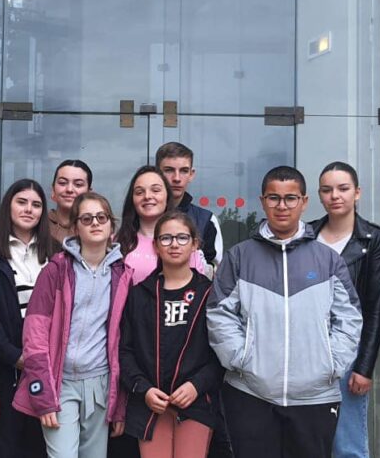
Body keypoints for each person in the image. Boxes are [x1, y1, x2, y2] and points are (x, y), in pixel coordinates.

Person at [207, 166, 362, 458]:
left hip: (315, 396)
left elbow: (349, 318)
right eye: (274, 198)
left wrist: (331, 363)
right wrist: (241, 359)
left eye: (290, 198)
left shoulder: (328, 259)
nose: (282, 206)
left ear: (304, 202)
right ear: (263, 201)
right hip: (250, 393)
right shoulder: (240, 256)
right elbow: (219, 314)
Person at [12, 192, 130, 458]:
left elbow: (124, 343)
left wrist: (119, 404)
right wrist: (43, 397)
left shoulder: (123, 275)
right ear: (75, 227)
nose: (95, 223)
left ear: (112, 225)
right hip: (60, 382)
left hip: (100, 383)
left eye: (101, 217)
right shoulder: (56, 270)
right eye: (86, 218)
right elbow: (35, 337)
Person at [120, 211, 224, 458]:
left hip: (195, 402)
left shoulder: (210, 295)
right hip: (150, 404)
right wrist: (143, 389)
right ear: (155, 245)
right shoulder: (139, 294)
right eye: (166, 238)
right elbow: (124, 350)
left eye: (182, 237)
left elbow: (222, 354)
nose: (174, 244)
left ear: (195, 244)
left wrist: (196, 385)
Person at [308, 161, 380, 458]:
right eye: (327, 190)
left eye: (343, 189)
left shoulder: (373, 239)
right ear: (319, 195)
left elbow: (377, 305)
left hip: (349, 351)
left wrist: (365, 366)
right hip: (307, 348)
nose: (335, 196)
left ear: (357, 193)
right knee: (308, 439)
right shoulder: (306, 235)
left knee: (348, 442)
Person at [0, 179, 58, 458]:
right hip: (8, 367)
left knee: (41, 447)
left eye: (36, 204)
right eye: (21, 202)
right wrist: (14, 355)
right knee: (5, 447)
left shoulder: (57, 254)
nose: (29, 209)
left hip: (49, 367)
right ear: (8, 206)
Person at [118, 166, 207, 285]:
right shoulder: (118, 242)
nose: (147, 196)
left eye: (155, 190)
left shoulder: (184, 242)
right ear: (132, 200)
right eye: (139, 192)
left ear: (167, 196)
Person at [156, 142, 224, 268]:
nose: (176, 178)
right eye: (169, 170)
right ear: (157, 173)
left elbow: (215, 273)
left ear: (191, 174)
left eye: (183, 171)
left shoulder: (207, 221)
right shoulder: (143, 217)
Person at [48, 159, 92, 243]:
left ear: (89, 193)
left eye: (78, 184)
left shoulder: (97, 227)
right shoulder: (38, 224)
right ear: (53, 190)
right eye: (62, 183)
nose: (69, 189)